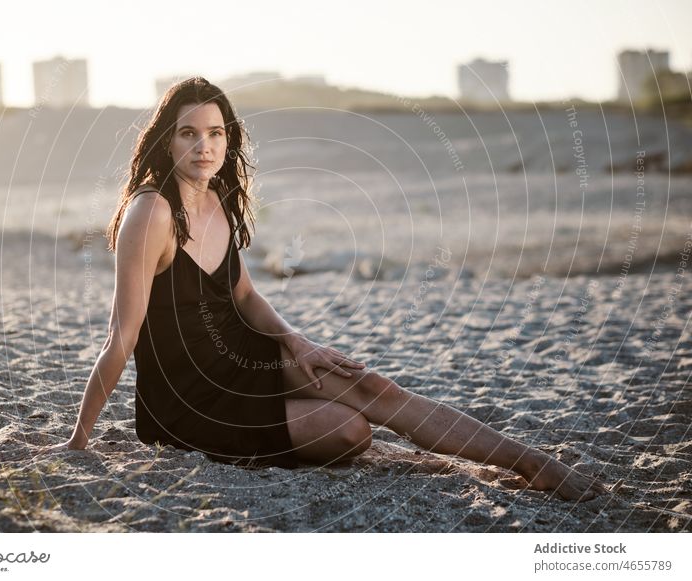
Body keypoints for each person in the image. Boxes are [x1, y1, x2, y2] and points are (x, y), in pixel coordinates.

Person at [37, 77, 608, 502]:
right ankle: (434, 457)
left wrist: (296, 342)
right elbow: (122, 335)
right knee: (346, 428)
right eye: (189, 133)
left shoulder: (216, 200)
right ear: (167, 141)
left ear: (228, 141)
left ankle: (530, 462)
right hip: (189, 400)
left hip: (242, 355)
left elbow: (243, 299)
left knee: (369, 385)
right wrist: (79, 439)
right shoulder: (150, 212)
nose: (204, 146)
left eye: (215, 133)